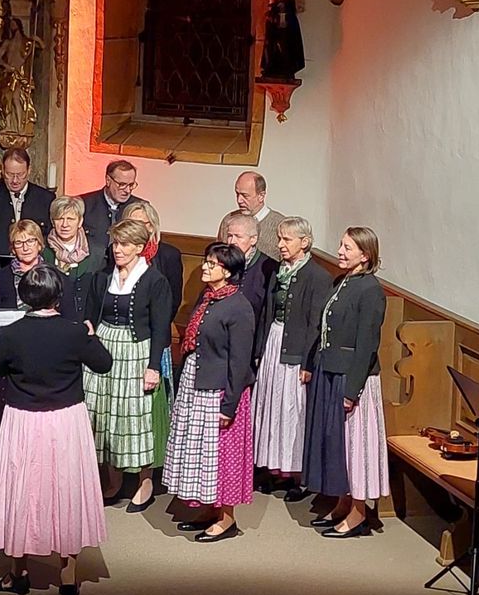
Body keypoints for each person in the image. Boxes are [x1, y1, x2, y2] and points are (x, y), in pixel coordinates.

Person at [0, 266, 112, 595]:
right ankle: (68, 578)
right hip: (66, 421)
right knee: (65, 489)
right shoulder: (74, 333)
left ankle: (19, 574)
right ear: (59, 296)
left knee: (23, 490)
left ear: (24, 296)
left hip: (24, 420)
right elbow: (103, 363)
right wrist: (90, 335)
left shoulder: (10, 333)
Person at [162, 243, 256, 542]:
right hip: (197, 381)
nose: (204, 267)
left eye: (212, 264)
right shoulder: (210, 298)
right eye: (206, 261)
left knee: (221, 455)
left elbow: (239, 362)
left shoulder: (239, 307)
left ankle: (227, 519)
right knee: (202, 453)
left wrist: (228, 406)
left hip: (219, 390)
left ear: (227, 272)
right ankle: (209, 508)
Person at [302, 227, 389, 538]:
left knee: (355, 447)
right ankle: (342, 503)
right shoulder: (343, 282)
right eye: (341, 245)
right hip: (330, 370)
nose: (340, 251)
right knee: (336, 445)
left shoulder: (370, 290)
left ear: (364, 256)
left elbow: (367, 345)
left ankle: (358, 513)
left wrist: (351, 392)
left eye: (347, 247)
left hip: (354, 378)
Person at [84, 220, 173, 511]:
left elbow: (161, 329)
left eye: (124, 244)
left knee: (134, 417)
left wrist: (153, 367)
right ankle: (113, 480)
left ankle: (145, 481)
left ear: (139, 247)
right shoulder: (102, 278)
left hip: (135, 352)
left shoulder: (154, 281)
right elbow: (91, 315)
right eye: (116, 243)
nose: (118, 249)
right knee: (106, 414)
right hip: (105, 348)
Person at [250, 217, 329, 499]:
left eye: (287, 240)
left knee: (291, 409)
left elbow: (315, 324)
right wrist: (260, 350)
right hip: (274, 342)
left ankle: (296, 473)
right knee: (271, 405)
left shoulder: (317, 277)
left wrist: (308, 362)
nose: (281, 244)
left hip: (296, 350)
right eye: (280, 239)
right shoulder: (278, 271)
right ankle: (275, 469)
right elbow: (267, 313)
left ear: (304, 242)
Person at [0, 148, 55, 258]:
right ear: (2, 171)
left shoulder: (45, 198)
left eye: (20, 174)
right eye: (10, 174)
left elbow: (49, 237)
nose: (15, 180)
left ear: (29, 170)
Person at [241, 0, 306, 80]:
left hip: (286, 15)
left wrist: (289, 7)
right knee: (270, 41)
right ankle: (270, 67)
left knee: (286, 41)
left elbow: (299, 2)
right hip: (273, 15)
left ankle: (287, 68)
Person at [42, 196, 103, 322]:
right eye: (60, 219)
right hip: (49, 324)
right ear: (53, 222)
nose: (65, 224)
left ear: (80, 221)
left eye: (70, 219)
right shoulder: (42, 250)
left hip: (85, 324)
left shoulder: (97, 252)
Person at [122, 200, 183, 324]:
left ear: (151, 227)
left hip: (154, 326)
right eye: (130, 223)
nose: (134, 229)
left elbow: (173, 300)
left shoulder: (169, 255)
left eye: (139, 224)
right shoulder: (116, 252)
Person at [218, 212, 278, 322]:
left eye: (238, 236)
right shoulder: (221, 262)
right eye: (230, 236)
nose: (232, 242)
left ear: (253, 239)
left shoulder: (269, 268)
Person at [217, 172, 285, 261]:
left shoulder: (280, 226)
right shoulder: (229, 220)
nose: (239, 200)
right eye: (237, 194)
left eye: (245, 196)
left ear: (261, 196)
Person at [79, 160, 143, 253]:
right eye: (122, 184)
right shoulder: (84, 204)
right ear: (108, 180)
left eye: (131, 185)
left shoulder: (139, 208)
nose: (127, 190)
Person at [0, 220, 45, 309]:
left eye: (30, 241)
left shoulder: (55, 277)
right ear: (13, 249)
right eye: (19, 243)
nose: (25, 248)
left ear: (39, 244)